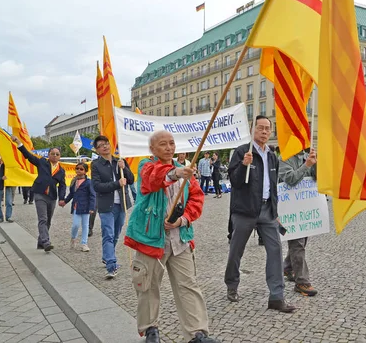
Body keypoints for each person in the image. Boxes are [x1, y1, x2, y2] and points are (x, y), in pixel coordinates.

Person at [124, 131, 220, 343]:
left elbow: (196, 198)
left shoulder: (186, 171)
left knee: (188, 285)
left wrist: (183, 219)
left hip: (180, 238)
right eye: (163, 144)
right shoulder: (145, 166)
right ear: (152, 149)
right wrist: (176, 173)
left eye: (171, 143)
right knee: (148, 286)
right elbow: (153, 179)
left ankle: (197, 333)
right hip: (150, 238)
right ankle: (150, 329)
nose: (169, 147)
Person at [225, 115, 296, 313]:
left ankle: (276, 297)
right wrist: (243, 165)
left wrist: (275, 211)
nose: (264, 132)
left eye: (267, 128)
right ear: (252, 130)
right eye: (260, 128)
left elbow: (273, 187)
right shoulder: (242, 152)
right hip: (245, 211)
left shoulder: (272, 156)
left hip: (267, 212)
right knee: (236, 251)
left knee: (275, 251)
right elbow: (235, 182)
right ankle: (232, 284)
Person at [12, 136, 66, 252]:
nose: (55, 156)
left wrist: (62, 198)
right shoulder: (42, 162)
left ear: (59, 156)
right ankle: (46, 242)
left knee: (48, 221)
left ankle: (41, 242)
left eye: (57, 154)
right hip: (40, 194)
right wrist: (19, 143)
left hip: (51, 197)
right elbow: (29, 156)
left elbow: (62, 185)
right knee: (43, 218)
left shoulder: (61, 170)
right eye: (53, 153)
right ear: (48, 155)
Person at [91, 135, 134, 279]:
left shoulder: (119, 161)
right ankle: (111, 264)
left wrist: (125, 169)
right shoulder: (96, 165)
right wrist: (117, 184)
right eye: (101, 145)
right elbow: (97, 186)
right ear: (97, 150)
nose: (105, 146)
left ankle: (107, 255)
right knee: (108, 234)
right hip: (106, 206)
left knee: (115, 234)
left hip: (121, 204)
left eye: (106, 143)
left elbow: (131, 179)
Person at [279, 149, 318, 297]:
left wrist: (316, 164)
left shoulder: (307, 156)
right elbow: (289, 178)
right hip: (290, 210)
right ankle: (302, 282)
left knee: (302, 241)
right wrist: (307, 165)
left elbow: (318, 177)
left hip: (305, 209)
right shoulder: (285, 158)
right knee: (298, 244)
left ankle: (288, 267)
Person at [64, 162, 96, 252]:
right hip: (76, 207)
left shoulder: (89, 182)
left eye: (81, 169)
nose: (79, 170)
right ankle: (73, 238)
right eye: (77, 168)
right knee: (75, 225)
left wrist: (91, 207)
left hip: (86, 207)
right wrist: (65, 201)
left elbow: (92, 195)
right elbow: (71, 194)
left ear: (85, 171)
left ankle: (84, 243)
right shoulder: (74, 181)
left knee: (85, 226)